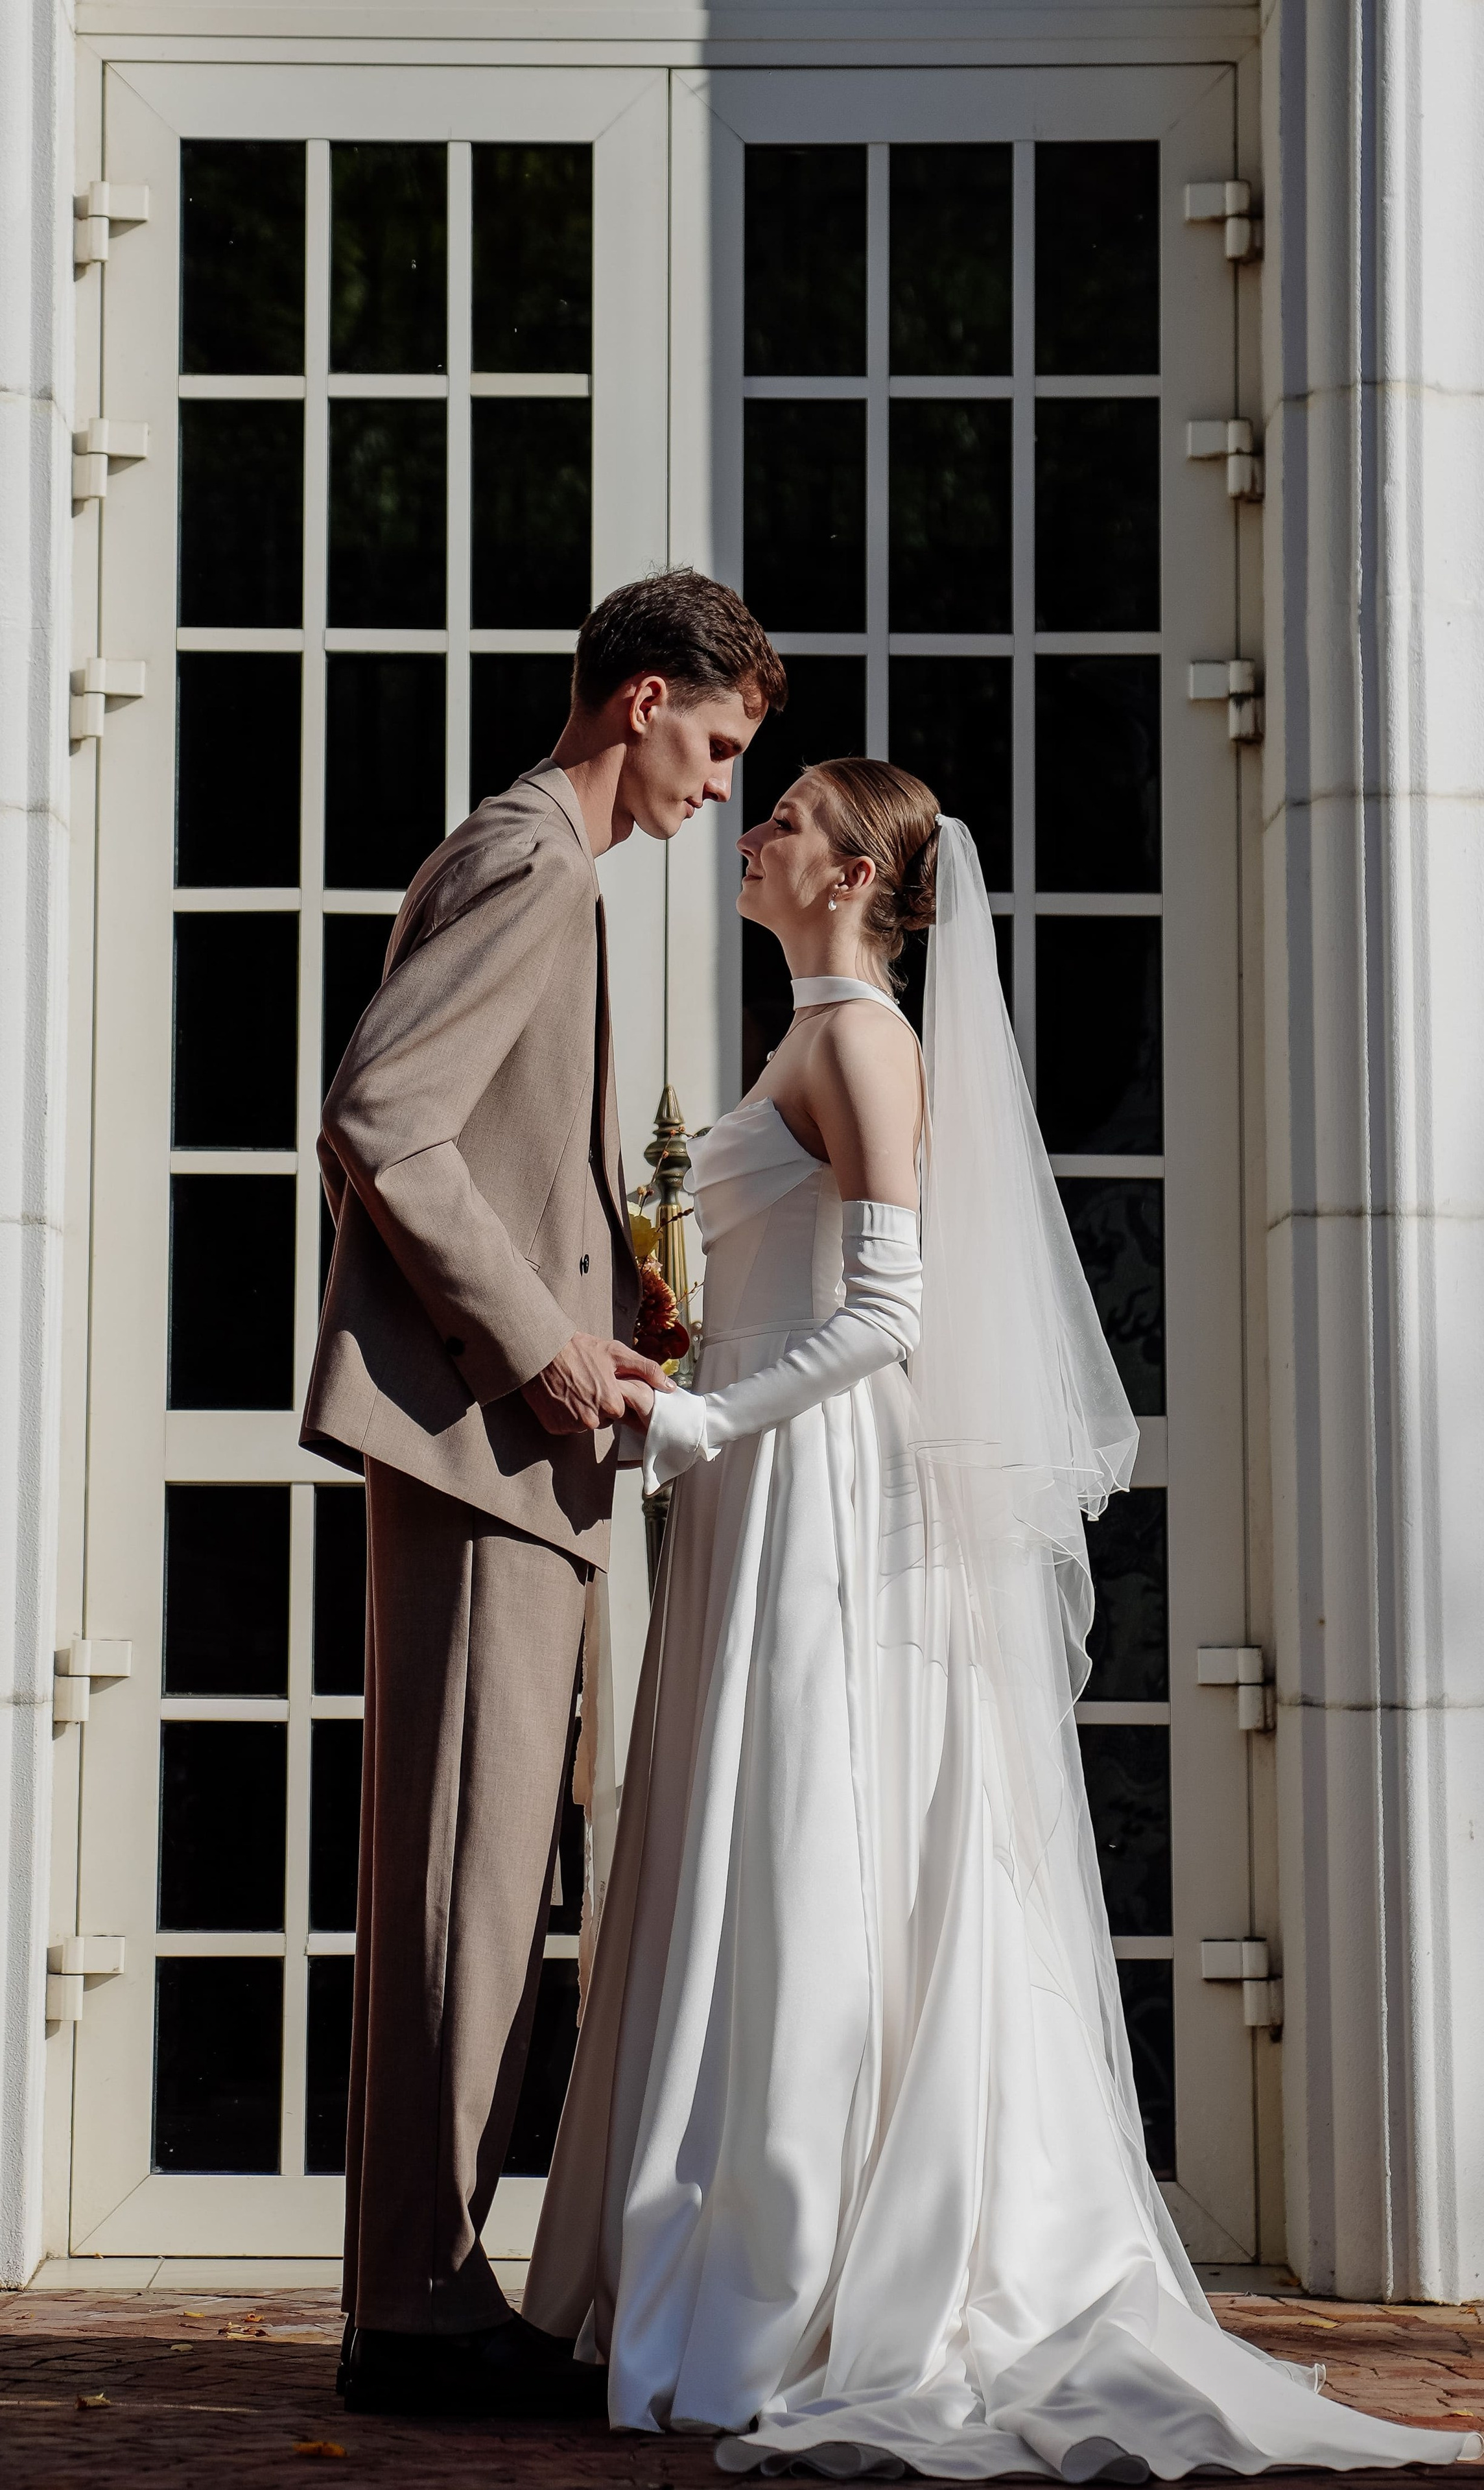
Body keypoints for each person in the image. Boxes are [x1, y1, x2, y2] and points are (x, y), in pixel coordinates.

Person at [524, 761, 1484, 2480]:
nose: (757, 831)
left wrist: (706, 1420)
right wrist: (690, 1364)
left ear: (859, 876)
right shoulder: (816, 1031)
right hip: (768, 1484)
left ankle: (798, 2276)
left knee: (819, 1842)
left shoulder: (864, 1042)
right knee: (762, 1844)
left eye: (793, 818)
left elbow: (893, 1315)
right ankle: (738, 2249)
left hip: (822, 1503)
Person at [301, 569, 786, 2420]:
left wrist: (608, 1290)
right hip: (482, 1443)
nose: (722, 792)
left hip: (499, 1434)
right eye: (721, 746)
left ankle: (415, 2291)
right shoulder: (535, 859)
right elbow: (381, 1112)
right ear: (645, 697)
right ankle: (418, 2313)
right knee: (461, 1882)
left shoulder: (522, 857)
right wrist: (542, 1350)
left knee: (481, 1877)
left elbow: (460, 1136)